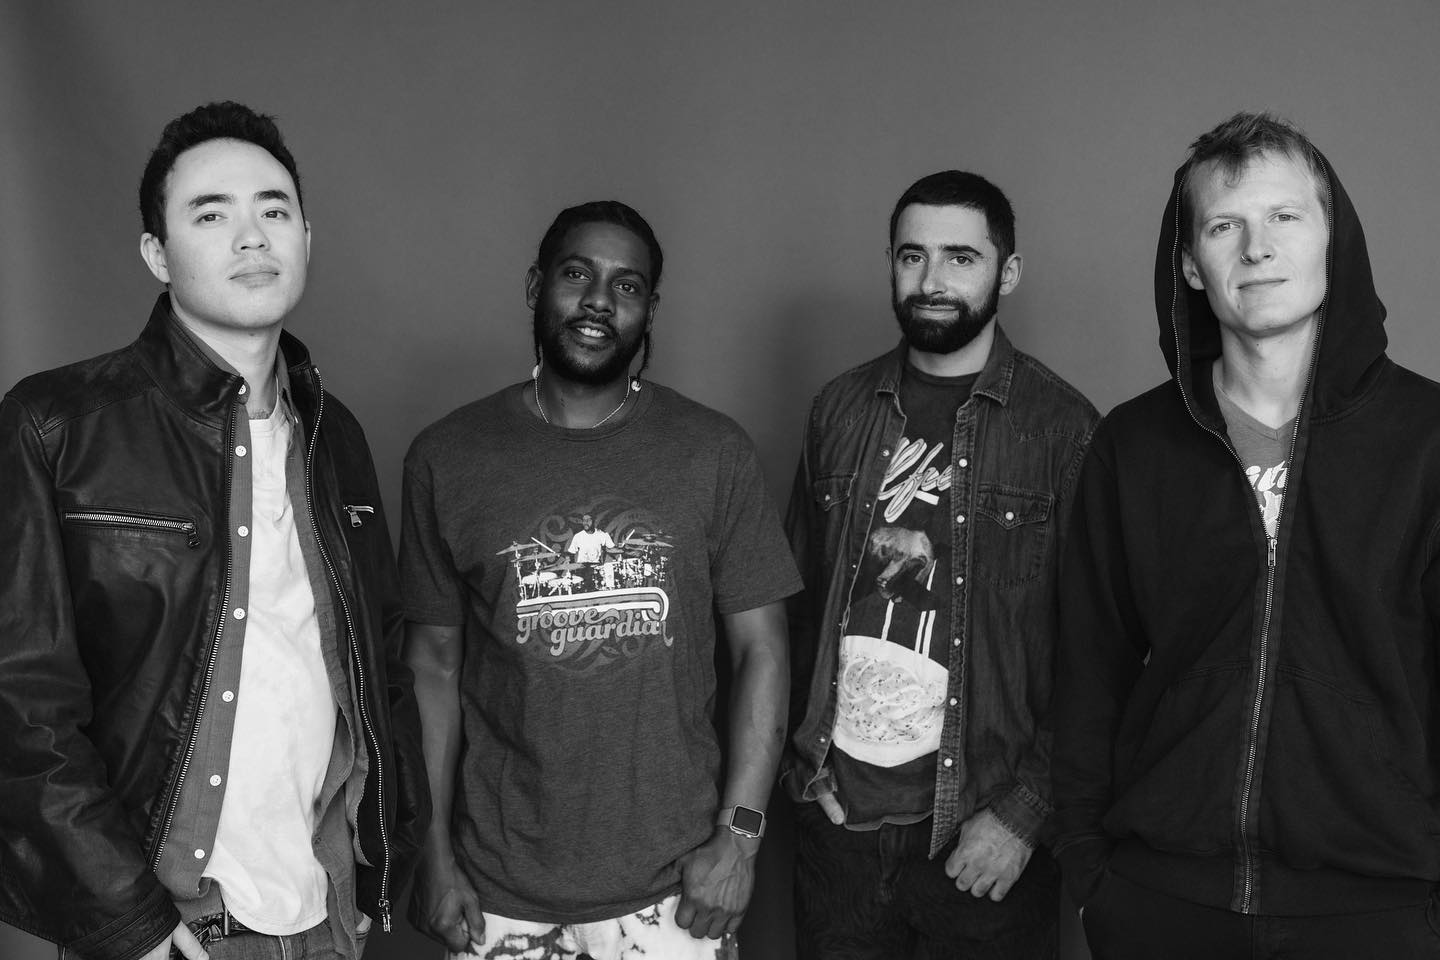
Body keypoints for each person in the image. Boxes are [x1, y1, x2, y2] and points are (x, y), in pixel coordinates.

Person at [0, 101, 427, 960]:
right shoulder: (58, 425)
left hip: (324, 916)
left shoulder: (333, 434)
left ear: (306, 235)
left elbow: (378, 667)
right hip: (169, 928)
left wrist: (378, 866)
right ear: (156, 254)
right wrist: (130, 922)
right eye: (210, 214)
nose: (251, 236)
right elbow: (21, 700)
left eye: (274, 210)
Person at [1054, 111, 1440, 958]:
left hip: (1382, 906)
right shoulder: (1133, 444)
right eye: (1225, 226)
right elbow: (1086, 671)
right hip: (1162, 898)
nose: (1257, 249)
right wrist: (1091, 875)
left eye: (1284, 216)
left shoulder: (1425, 438)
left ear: (1333, 238)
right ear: (1192, 263)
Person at [401, 200, 801, 960]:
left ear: (650, 309)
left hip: (676, 893)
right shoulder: (447, 457)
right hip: (496, 894)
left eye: (627, 286)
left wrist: (740, 838)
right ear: (536, 287)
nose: (598, 301)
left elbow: (763, 652)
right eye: (577, 274)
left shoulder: (712, 452)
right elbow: (431, 668)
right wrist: (433, 853)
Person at [785, 170, 1098, 958]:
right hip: (838, 835)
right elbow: (794, 607)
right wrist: (801, 774)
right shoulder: (838, 409)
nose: (932, 280)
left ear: (1007, 273)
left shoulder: (1062, 428)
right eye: (912, 256)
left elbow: (1101, 656)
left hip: (983, 839)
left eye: (961, 257)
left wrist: (1025, 816)